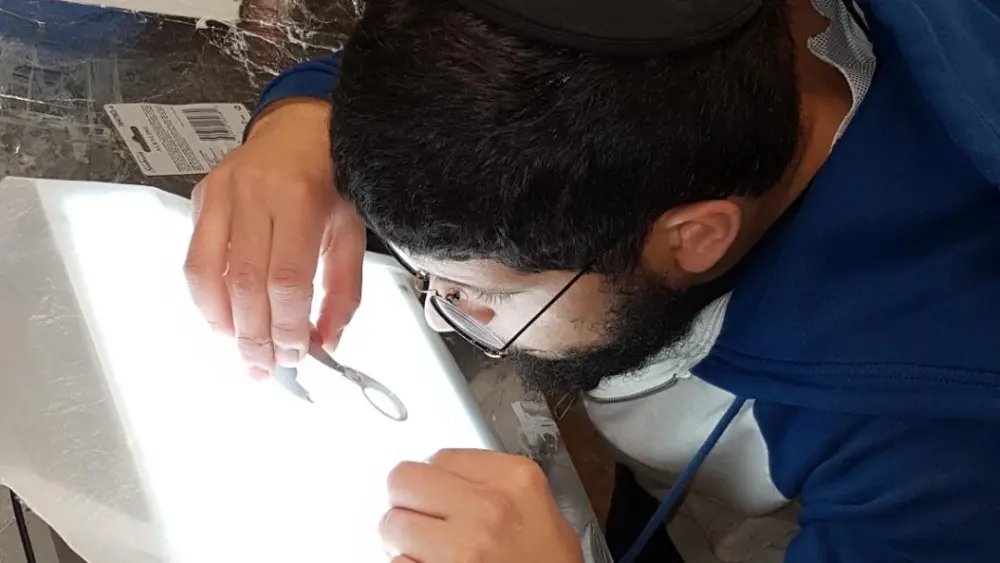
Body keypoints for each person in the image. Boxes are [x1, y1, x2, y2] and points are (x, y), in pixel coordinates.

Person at [185, 0, 1000, 561]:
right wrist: (302, 124)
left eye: (483, 296)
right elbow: (514, 80)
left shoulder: (939, 440)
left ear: (694, 237)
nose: (444, 316)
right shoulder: (694, 49)